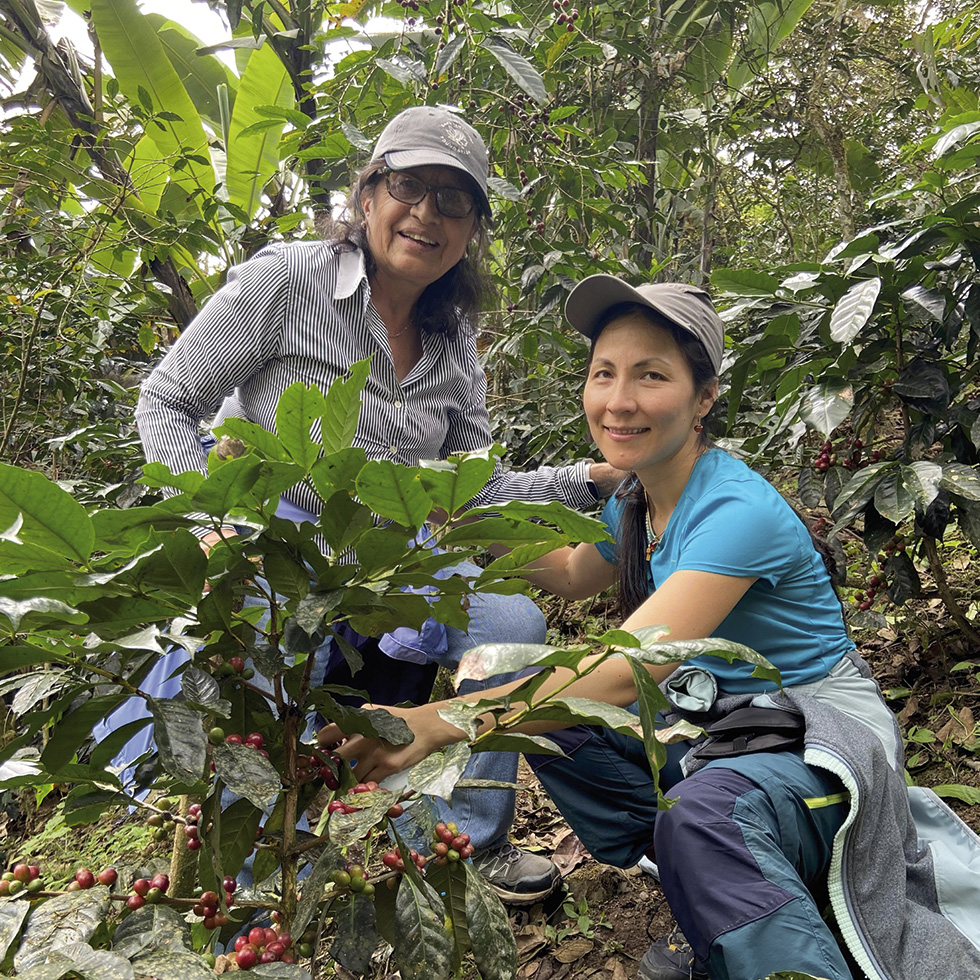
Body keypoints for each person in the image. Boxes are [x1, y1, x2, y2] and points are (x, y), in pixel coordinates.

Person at [317, 275, 980, 980]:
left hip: (816, 734)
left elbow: (633, 664)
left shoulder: (735, 511)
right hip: (717, 726)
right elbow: (572, 573)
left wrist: (436, 721)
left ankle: (763, 908)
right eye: (604, 373)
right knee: (522, 687)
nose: (619, 399)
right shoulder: (635, 503)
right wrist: (447, 514)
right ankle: (720, 890)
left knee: (704, 816)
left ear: (704, 397)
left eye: (651, 375)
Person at [131, 105, 625, 905]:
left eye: (454, 200)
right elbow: (165, 398)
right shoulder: (285, 281)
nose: (426, 213)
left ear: (472, 230)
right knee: (256, 672)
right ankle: (249, 878)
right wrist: (211, 527)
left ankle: (471, 842)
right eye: (408, 186)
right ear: (367, 197)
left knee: (512, 626)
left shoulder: (456, 335)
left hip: (401, 546)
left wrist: (589, 481)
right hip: (282, 538)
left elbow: (478, 487)